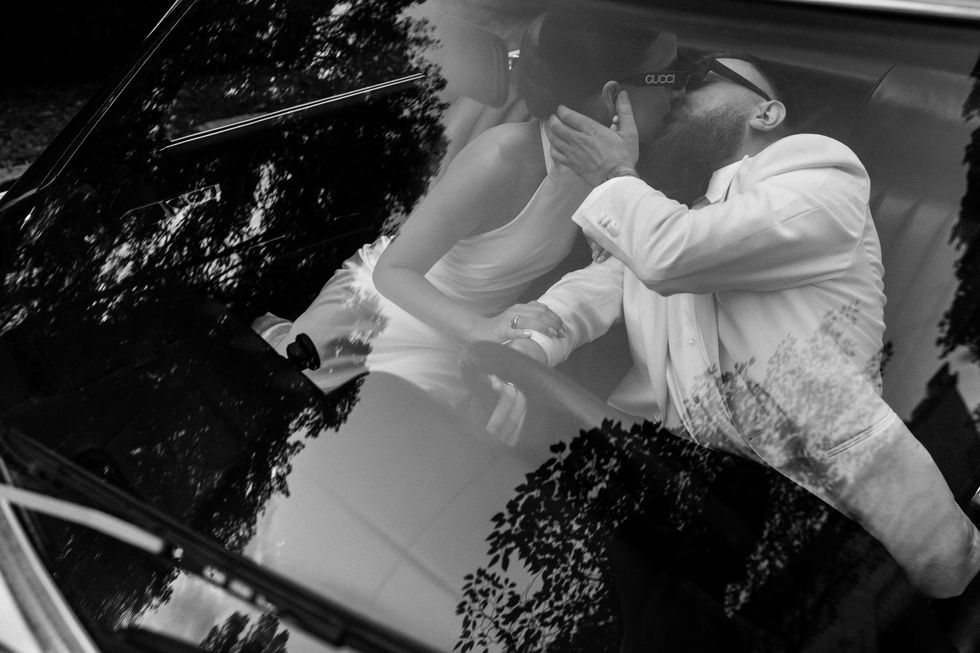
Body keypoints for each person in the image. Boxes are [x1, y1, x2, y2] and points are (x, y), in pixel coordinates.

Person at [495, 53, 980, 602]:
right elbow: (596, 288)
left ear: (768, 114)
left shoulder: (821, 174)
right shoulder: (666, 209)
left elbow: (675, 253)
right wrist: (529, 341)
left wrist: (614, 174)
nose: (678, 90)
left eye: (699, 78)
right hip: (684, 511)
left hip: (825, 527)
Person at [257, 13, 677, 411]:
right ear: (611, 97)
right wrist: (482, 330)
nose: (677, 92)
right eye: (669, 76)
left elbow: (620, 261)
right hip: (382, 319)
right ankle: (271, 334)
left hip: (456, 342)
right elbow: (393, 271)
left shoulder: (610, 166)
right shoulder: (499, 161)